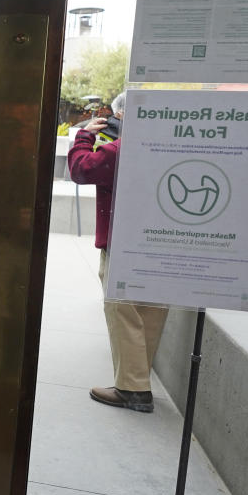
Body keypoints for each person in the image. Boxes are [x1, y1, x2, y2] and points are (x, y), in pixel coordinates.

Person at [68, 91, 168, 413]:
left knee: (122, 309)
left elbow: (82, 169)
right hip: (161, 241)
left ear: (124, 116)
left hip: (126, 241)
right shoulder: (167, 147)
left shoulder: (124, 149)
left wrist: (85, 137)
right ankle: (139, 379)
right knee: (151, 308)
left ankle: (132, 389)